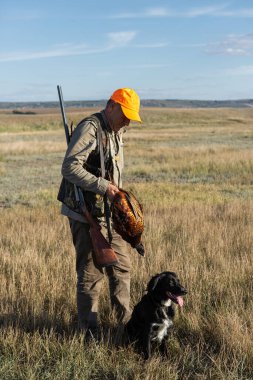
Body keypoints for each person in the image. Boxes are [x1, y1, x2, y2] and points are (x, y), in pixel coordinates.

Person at [58, 88, 142, 339]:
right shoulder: (91, 128)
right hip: (86, 214)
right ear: (112, 106)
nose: (127, 121)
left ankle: (128, 328)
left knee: (121, 268)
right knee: (90, 274)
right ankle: (90, 333)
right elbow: (69, 167)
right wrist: (104, 187)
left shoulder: (117, 131)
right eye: (125, 114)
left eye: (131, 117)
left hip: (109, 215)